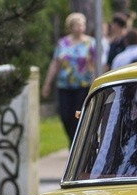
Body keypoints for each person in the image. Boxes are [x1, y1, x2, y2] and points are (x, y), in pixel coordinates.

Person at [41, 12, 97, 144]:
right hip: (64, 85)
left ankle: (78, 143)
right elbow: (55, 63)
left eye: (82, 24)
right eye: (77, 25)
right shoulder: (63, 43)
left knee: (78, 115)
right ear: (70, 27)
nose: (80, 27)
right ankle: (73, 142)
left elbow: (95, 65)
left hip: (83, 85)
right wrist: (47, 84)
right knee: (65, 116)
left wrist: (96, 82)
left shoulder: (90, 43)